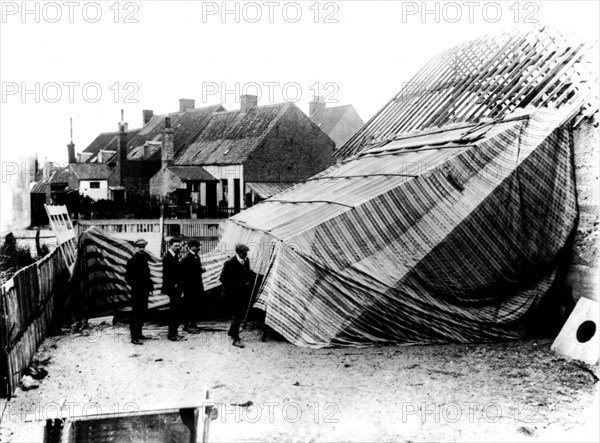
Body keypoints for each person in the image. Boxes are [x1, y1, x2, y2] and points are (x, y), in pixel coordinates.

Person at [220, 243, 255, 348]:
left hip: (241, 294)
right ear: (239, 253)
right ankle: (236, 339)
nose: (246, 255)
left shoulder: (246, 261)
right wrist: (238, 285)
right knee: (237, 316)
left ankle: (231, 331)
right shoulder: (229, 263)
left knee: (238, 315)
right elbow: (223, 279)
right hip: (231, 294)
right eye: (244, 253)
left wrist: (255, 275)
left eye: (246, 253)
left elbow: (247, 272)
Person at [125, 238, 153, 345]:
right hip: (137, 292)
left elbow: (147, 275)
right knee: (136, 314)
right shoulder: (132, 261)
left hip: (144, 291)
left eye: (143, 247)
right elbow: (128, 277)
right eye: (140, 247)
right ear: (136, 248)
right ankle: (134, 337)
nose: (141, 249)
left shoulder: (144, 259)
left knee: (142, 312)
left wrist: (149, 286)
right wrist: (137, 286)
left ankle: (139, 333)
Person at [180, 239, 206, 332]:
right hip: (189, 287)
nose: (199, 248)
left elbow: (196, 268)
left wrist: (200, 269)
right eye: (197, 246)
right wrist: (200, 270)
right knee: (188, 306)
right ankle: (186, 325)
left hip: (196, 286)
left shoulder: (196, 256)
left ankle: (193, 323)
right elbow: (184, 273)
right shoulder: (186, 258)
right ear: (191, 247)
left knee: (195, 305)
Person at [162, 237, 183, 341]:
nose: (178, 247)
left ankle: (175, 332)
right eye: (176, 246)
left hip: (176, 288)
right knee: (174, 312)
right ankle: (172, 334)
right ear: (170, 246)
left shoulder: (174, 256)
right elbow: (167, 275)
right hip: (172, 288)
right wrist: (174, 285)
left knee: (176, 311)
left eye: (179, 246)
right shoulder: (168, 258)